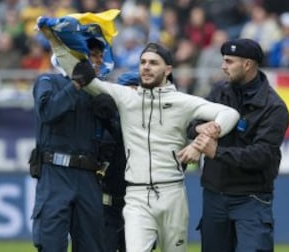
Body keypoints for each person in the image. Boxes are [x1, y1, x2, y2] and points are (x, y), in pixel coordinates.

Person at [39, 23, 240, 252]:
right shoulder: (127, 97)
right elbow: (83, 76)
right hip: (136, 196)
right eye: (143, 62)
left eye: (153, 63)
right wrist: (54, 40)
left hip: (172, 193)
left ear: (167, 70)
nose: (146, 67)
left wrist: (202, 140)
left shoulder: (183, 102)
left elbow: (229, 113)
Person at [187, 38, 289, 252]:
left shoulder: (274, 107)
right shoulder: (219, 92)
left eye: (229, 61)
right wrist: (199, 129)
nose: (223, 66)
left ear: (248, 64)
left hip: (251, 198)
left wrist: (217, 152)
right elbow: (190, 123)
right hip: (214, 195)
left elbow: (262, 155)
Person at [31, 37, 108, 252]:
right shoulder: (48, 81)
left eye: (101, 56)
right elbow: (47, 112)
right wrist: (75, 84)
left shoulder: (99, 92)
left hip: (89, 176)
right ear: (78, 56)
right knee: (51, 244)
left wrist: (111, 114)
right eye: (93, 55)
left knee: (92, 246)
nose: (99, 60)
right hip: (55, 173)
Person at [94, 71, 140, 252]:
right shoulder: (105, 121)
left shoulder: (151, 125)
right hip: (107, 205)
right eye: (129, 89)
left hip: (138, 207)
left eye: (137, 89)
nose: (133, 94)